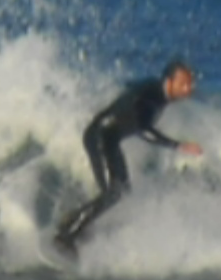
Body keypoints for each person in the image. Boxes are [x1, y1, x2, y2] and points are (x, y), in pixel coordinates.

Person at [53, 59, 203, 255]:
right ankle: (66, 237)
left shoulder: (155, 89)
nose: (188, 89)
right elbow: (143, 130)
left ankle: (72, 221)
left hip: (110, 141)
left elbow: (130, 87)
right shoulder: (153, 97)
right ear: (169, 81)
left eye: (190, 84)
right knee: (113, 192)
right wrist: (179, 145)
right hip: (99, 137)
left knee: (121, 189)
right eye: (184, 83)